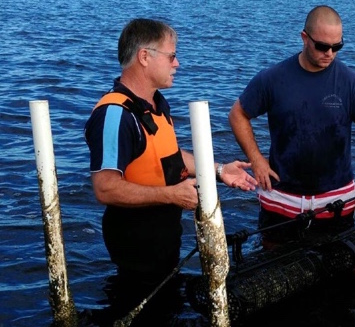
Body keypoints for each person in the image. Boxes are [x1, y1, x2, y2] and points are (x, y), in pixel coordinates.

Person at [84, 18, 257, 325]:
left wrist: (218, 170)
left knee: (165, 309)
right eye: (171, 55)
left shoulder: (155, 106)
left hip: (164, 243)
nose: (177, 63)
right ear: (144, 57)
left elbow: (171, 158)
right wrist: (171, 194)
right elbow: (105, 188)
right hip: (136, 247)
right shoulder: (115, 114)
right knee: (138, 310)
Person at [228, 5, 355, 248]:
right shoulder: (272, 79)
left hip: (337, 204)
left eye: (337, 47)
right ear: (305, 38)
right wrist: (257, 158)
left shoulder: (351, 83)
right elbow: (238, 114)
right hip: (280, 202)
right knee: (273, 267)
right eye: (323, 46)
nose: (330, 53)